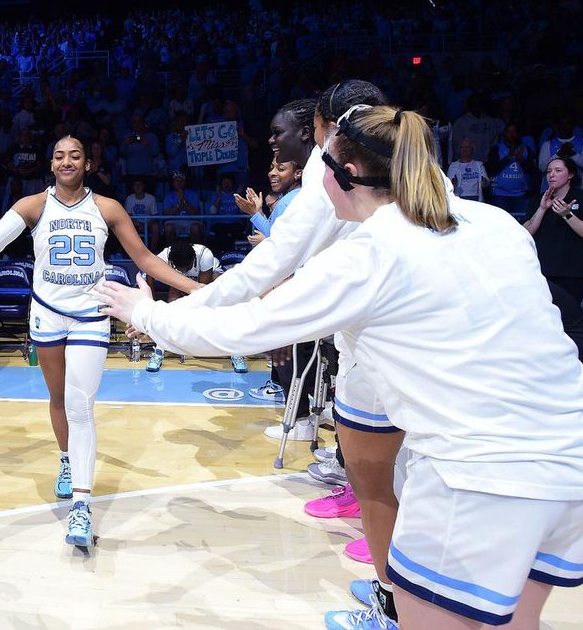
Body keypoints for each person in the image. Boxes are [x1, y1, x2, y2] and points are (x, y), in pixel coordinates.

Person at [98, 105, 583, 630]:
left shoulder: (369, 252)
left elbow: (245, 327)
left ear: (343, 177)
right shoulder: (499, 223)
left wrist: (145, 313)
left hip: (482, 480)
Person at [144, 80, 402, 626]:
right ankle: (393, 592)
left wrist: (153, 318)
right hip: (549, 447)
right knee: (373, 453)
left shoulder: (363, 253)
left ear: (333, 150)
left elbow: (251, 312)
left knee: (389, 467)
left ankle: (398, 598)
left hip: (486, 459)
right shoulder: (477, 222)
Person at [0, 136, 198, 548]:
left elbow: (146, 259)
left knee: (81, 406)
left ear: (88, 163)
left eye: (75, 155)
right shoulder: (34, 205)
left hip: (91, 316)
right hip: (46, 313)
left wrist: (196, 289)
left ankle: (81, 505)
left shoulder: (107, 208)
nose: (67, 161)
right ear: (51, 164)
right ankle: (67, 459)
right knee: (58, 399)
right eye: (59, 156)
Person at [146, 240, 248, 374]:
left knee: (222, 303)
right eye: (180, 268)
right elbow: (149, 276)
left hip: (208, 279)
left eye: (185, 267)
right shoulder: (163, 258)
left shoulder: (205, 256)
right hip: (181, 281)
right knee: (170, 305)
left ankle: (236, 352)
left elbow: (201, 294)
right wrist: (152, 302)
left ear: (193, 260)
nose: (183, 270)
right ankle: (159, 350)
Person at [524, 157, 583, 305]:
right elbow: (525, 233)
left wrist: (566, 214)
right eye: (549, 171)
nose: (551, 175)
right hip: (541, 270)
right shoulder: (538, 200)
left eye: (558, 171)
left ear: (570, 175)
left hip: (571, 272)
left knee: (568, 319)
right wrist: (542, 209)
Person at [446, 137, 489, 202]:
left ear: (472, 149)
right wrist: (453, 183)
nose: (464, 150)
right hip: (460, 198)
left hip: (476, 198)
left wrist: (484, 181)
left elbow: (486, 183)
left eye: (467, 147)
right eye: (462, 147)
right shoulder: (453, 166)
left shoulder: (479, 165)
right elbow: (448, 186)